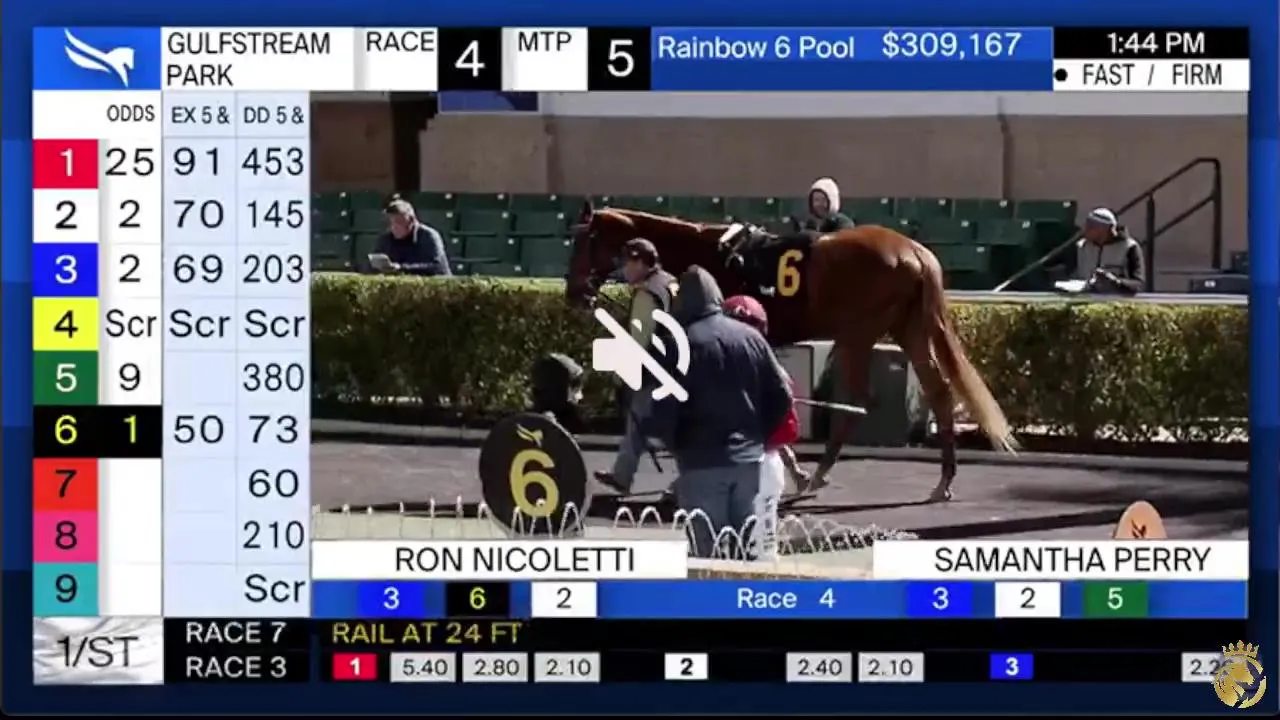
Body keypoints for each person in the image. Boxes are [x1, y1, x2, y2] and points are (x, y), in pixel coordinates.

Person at [640, 267, 794, 558]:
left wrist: (674, 443)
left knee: (706, 552)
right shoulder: (751, 337)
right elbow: (782, 394)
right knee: (746, 550)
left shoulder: (678, 343)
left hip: (700, 462)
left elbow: (661, 404)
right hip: (749, 461)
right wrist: (758, 437)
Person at [723, 295, 806, 561]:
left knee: (739, 544)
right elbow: (787, 428)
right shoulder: (773, 368)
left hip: (741, 461)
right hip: (766, 462)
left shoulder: (722, 365)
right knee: (762, 545)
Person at [593, 238, 677, 493]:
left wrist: (621, 373)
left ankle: (683, 482)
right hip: (675, 364)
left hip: (654, 369)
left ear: (640, 262)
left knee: (648, 422)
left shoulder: (646, 294)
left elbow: (639, 340)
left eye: (628, 263)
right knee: (647, 424)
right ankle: (622, 475)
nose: (625, 270)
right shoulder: (669, 281)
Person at [1067, 207, 1146, 295]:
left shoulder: (1129, 247)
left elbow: (1138, 283)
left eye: (1090, 226)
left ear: (1104, 228)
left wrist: (1114, 281)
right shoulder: (1082, 246)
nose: (1085, 229)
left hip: (1116, 300)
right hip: (1084, 298)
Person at [372, 196, 453, 277]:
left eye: (398, 223)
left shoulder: (429, 236)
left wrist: (402, 268)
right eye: (391, 223)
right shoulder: (387, 238)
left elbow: (435, 266)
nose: (394, 227)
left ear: (412, 221)